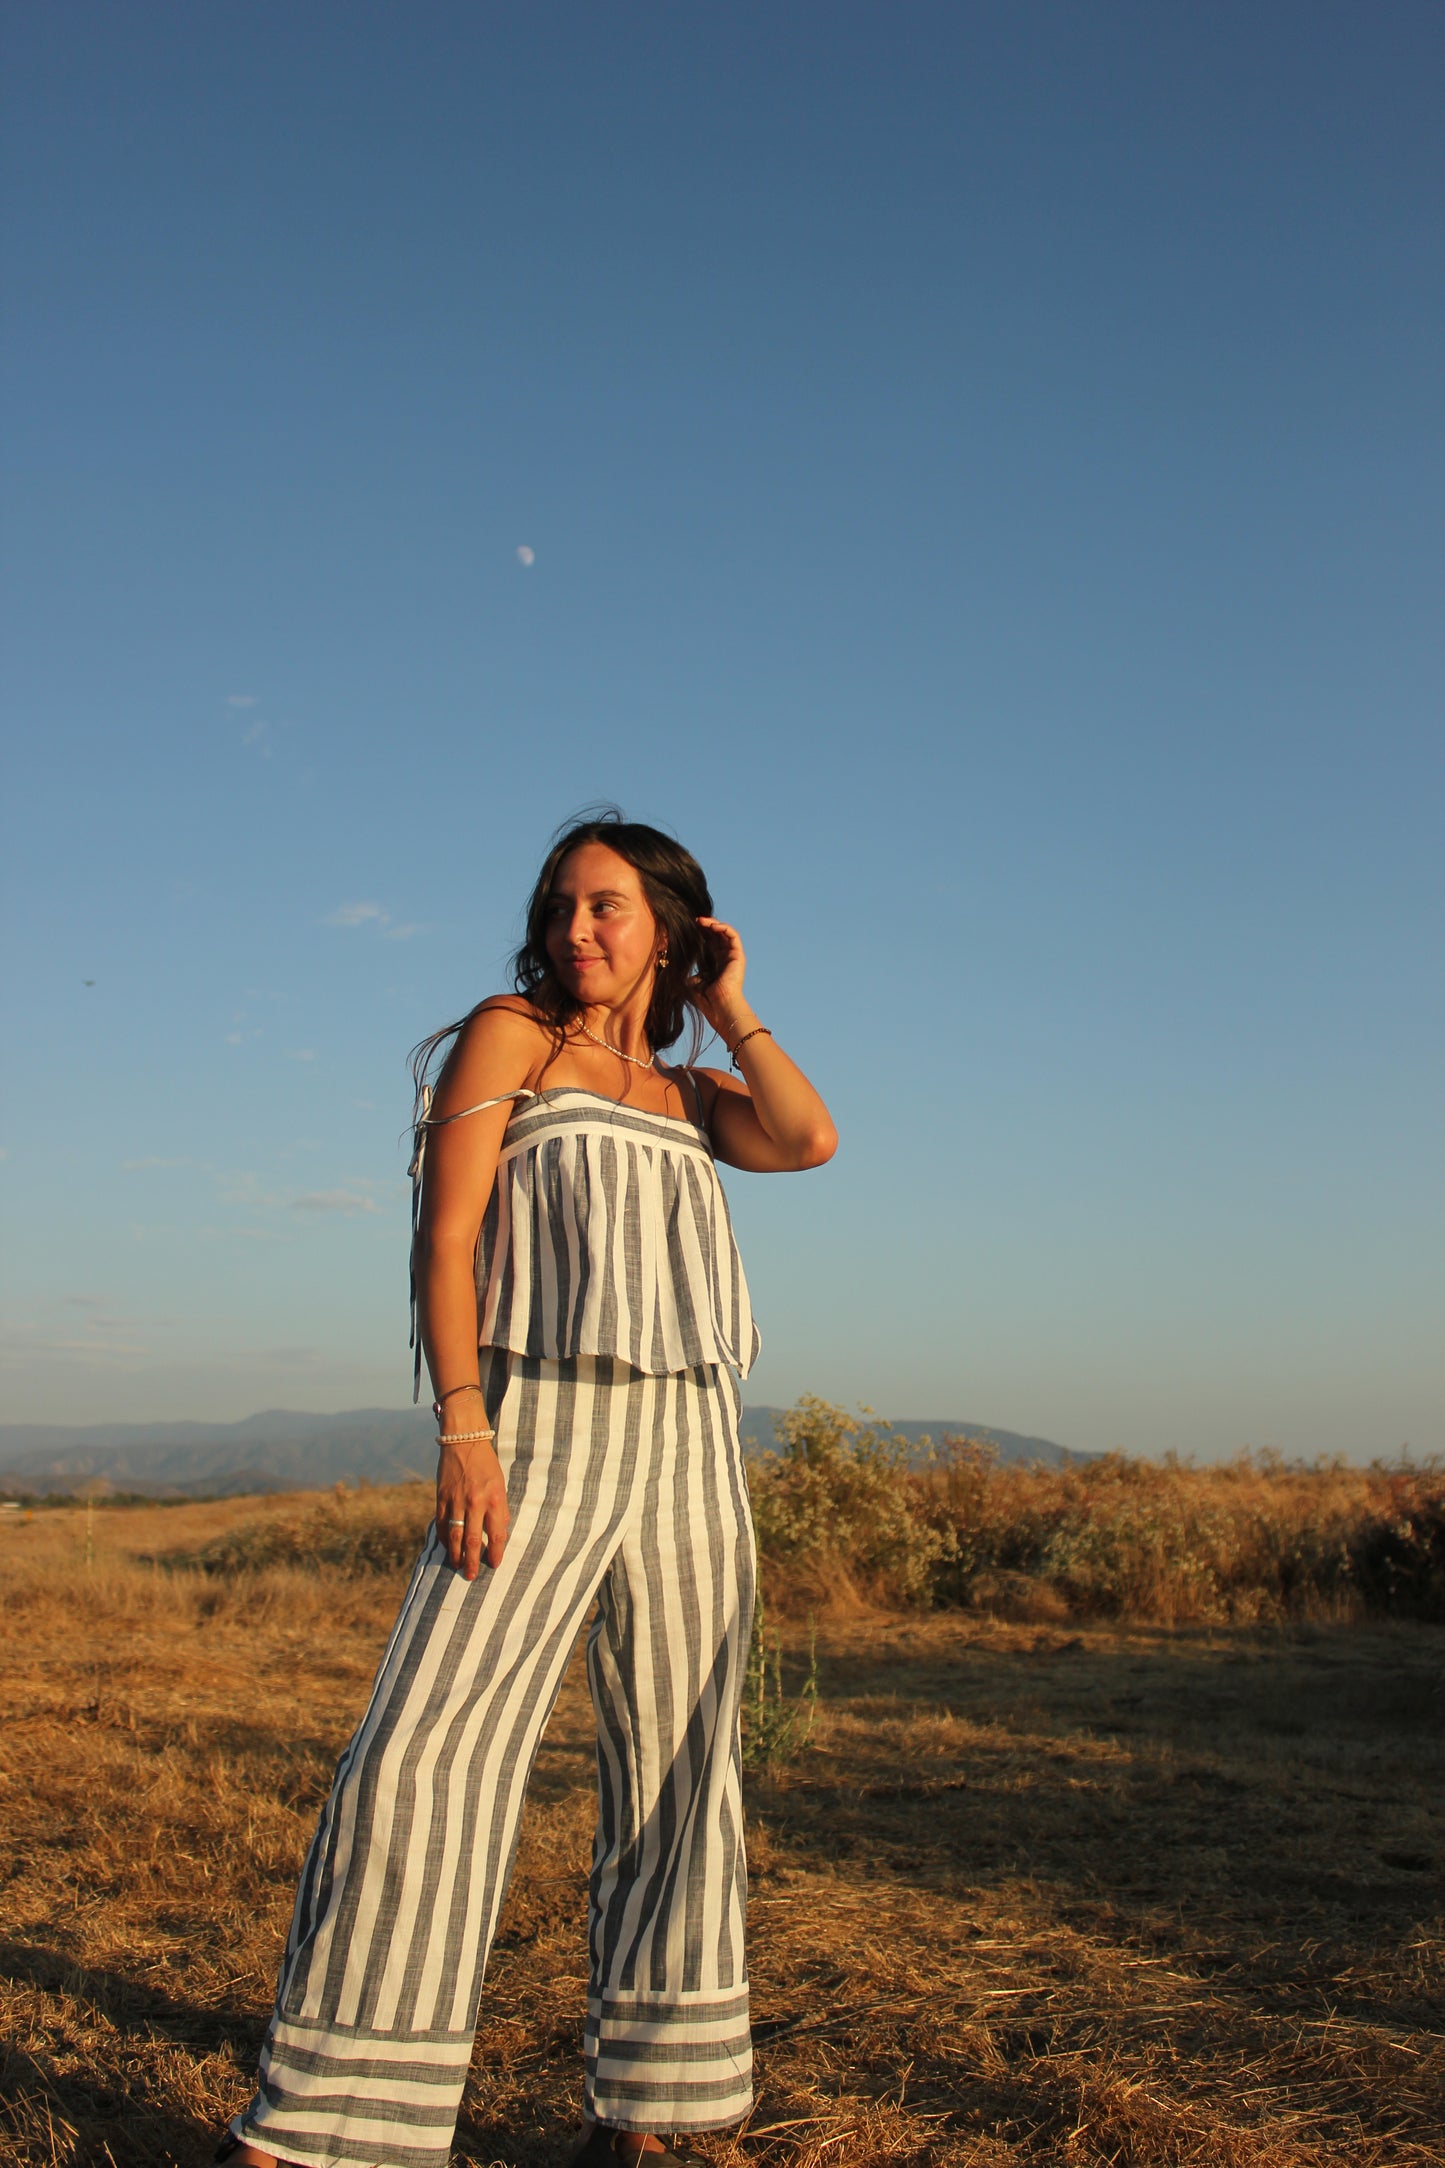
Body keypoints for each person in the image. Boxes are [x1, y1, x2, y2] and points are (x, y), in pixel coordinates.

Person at [221, 813, 837, 2168]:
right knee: (418, 1760)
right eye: (562, 903)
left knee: (680, 1773)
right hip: (535, 1426)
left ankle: (657, 2113)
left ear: (668, 928)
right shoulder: (511, 1037)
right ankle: (324, 2121)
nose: (576, 930)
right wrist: (463, 1429)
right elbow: (445, 1242)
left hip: (687, 1441)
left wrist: (727, 1007)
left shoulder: (686, 1094)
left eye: (609, 907)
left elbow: (805, 1139)